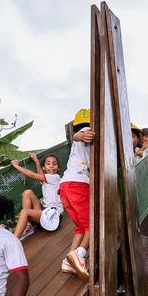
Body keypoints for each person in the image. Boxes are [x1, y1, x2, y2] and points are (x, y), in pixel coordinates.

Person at [59, 108, 93, 280]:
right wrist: (82, 134)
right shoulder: (86, 132)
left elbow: (76, 136)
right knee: (92, 224)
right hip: (77, 184)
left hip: (65, 186)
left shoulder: (76, 144)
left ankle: (68, 259)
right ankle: (80, 254)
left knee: (81, 227)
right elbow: (79, 135)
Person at [10, 153, 63, 240]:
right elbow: (40, 173)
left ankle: (13, 241)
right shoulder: (47, 179)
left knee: (25, 212)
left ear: (58, 168)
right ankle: (28, 226)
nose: (51, 166)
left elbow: (33, 175)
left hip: (53, 217)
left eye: (54, 164)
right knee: (27, 192)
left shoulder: (55, 178)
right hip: (45, 213)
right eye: (48, 164)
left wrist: (17, 166)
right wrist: (36, 160)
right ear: (44, 167)